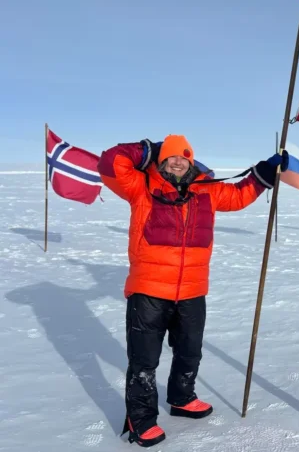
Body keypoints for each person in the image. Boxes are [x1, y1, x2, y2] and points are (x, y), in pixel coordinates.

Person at [97, 134, 288, 448]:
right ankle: (141, 421)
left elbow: (239, 195)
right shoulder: (140, 186)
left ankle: (182, 398)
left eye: (183, 157)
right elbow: (109, 162)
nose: (176, 161)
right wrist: (147, 149)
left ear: (191, 161)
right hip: (149, 289)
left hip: (192, 290)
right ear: (161, 159)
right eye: (170, 156)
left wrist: (264, 173)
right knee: (144, 361)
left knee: (189, 352)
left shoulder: (207, 191)